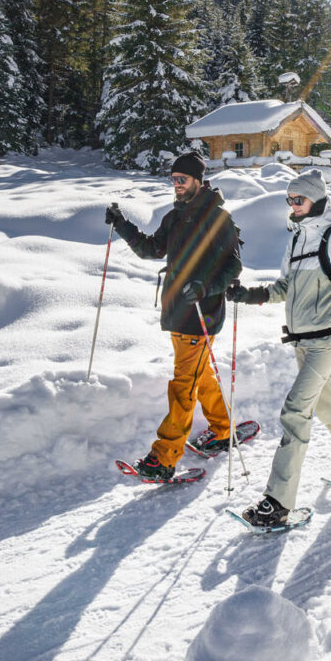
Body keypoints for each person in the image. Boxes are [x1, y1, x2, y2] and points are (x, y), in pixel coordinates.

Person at [226, 169, 331, 527]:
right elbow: (284, 287)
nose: (293, 206)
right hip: (301, 342)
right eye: (289, 200)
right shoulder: (295, 241)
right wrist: (249, 294)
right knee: (326, 405)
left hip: (327, 339)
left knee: (296, 412)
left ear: (317, 200)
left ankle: (277, 503)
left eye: (300, 199)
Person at [105, 151, 242, 482]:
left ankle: (164, 458)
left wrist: (204, 286)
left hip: (201, 314)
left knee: (184, 386)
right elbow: (152, 249)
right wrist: (121, 225)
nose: (177, 186)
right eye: (173, 180)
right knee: (198, 376)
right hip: (177, 314)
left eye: (182, 180)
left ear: (198, 180)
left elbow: (233, 265)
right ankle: (223, 430)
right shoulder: (175, 217)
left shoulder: (218, 218)